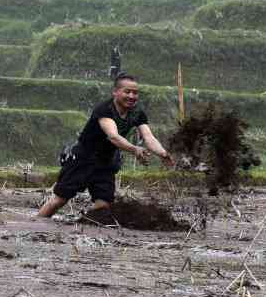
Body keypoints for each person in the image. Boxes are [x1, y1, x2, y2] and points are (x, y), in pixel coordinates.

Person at [38, 73, 174, 217]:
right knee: (60, 200)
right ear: (115, 92)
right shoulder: (104, 109)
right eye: (127, 92)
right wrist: (135, 149)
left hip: (105, 162)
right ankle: (37, 224)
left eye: (135, 93)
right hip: (82, 159)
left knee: (103, 204)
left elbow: (148, 137)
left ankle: (87, 227)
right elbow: (113, 137)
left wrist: (162, 153)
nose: (132, 96)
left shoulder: (137, 113)